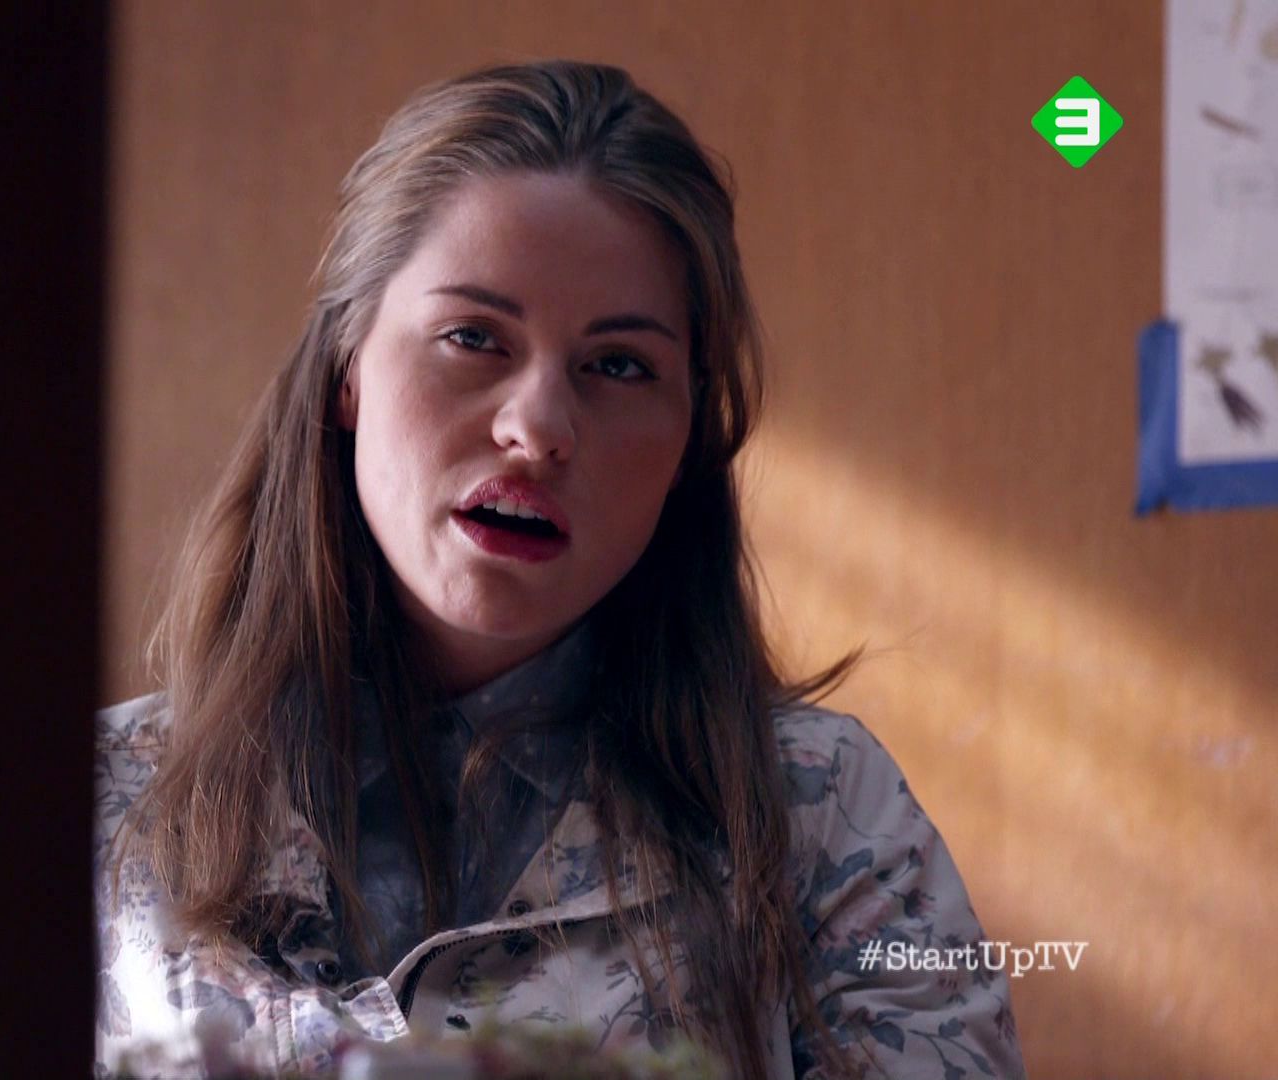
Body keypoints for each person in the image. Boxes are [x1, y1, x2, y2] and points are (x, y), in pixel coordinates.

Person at [95, 59, 1024, 1079]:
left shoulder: (819, 811)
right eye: (473, 338)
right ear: (348, 368)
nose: (538, 429)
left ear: (689, 440)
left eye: (618, 366)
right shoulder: (110, 803)